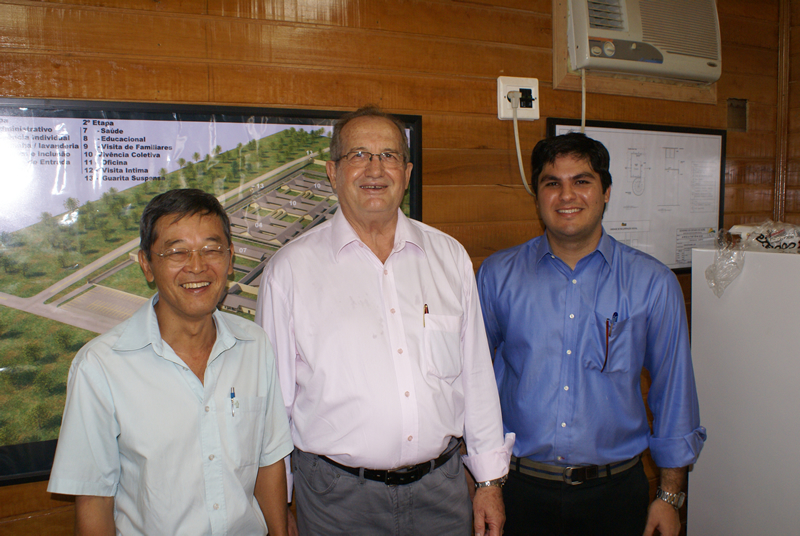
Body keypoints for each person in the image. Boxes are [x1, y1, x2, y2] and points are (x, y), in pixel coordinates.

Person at [256, 106, 514, 536]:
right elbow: (273, 407)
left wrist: (489, 482)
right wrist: (278, 509)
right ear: (333, 172)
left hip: (442, 491)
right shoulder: (290, 271)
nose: (375, 169)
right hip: (337, 501)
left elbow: (476, 379)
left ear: (406, 173)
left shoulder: (449, 257)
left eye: (389, 156)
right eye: (358, 155)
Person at [476, 132, 706, 536]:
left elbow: (674, 393)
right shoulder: (497, 276)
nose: (567, 196)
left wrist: (670, 496)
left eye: (581, 181)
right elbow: (473, 382)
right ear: (537, 197)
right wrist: (483, 482)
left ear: (606, 192)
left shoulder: (652, 283)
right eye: (552, 183)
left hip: (615, 494)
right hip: (518, 490)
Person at [48, 188, 294, 536]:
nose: (197, 266)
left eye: (211, 249)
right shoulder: (100, 366)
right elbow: (94, 500)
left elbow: (269, 460)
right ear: (147, 264)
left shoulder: (254, 345)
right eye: (177, 251)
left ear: (230, 258)